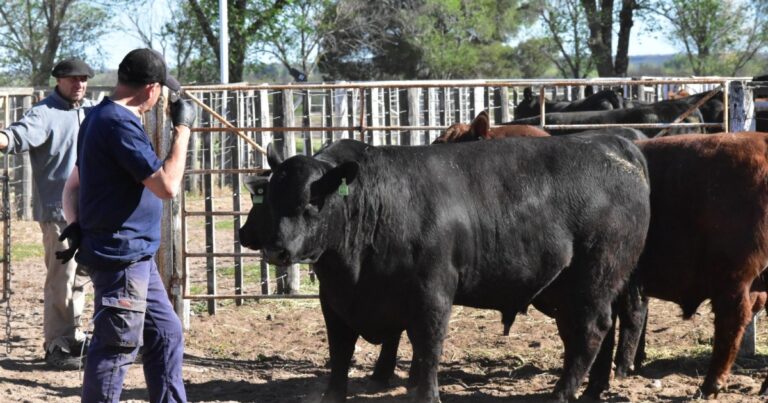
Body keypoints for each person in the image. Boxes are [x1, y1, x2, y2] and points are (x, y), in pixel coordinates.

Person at [60, 48, 195, 402]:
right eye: (161, 91)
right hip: (122, 258)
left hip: (136, 258)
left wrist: (76, 224)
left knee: (166, 334)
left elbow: (73, 186)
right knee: (116, 347)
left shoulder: (97, 117)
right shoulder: (119, 125)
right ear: (151, 89)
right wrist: (182, 131)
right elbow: (167, 186)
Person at [0, 58, 94, 369]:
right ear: (58, 80)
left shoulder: (92, 111)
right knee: (61, 278)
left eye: (83, 78)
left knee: (81, 276)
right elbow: (16, 136)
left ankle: (74, 336)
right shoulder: (43, 113)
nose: (78, 84)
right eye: (72, 79)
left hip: (91, 210)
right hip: (58, 213)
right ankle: (57, 345)